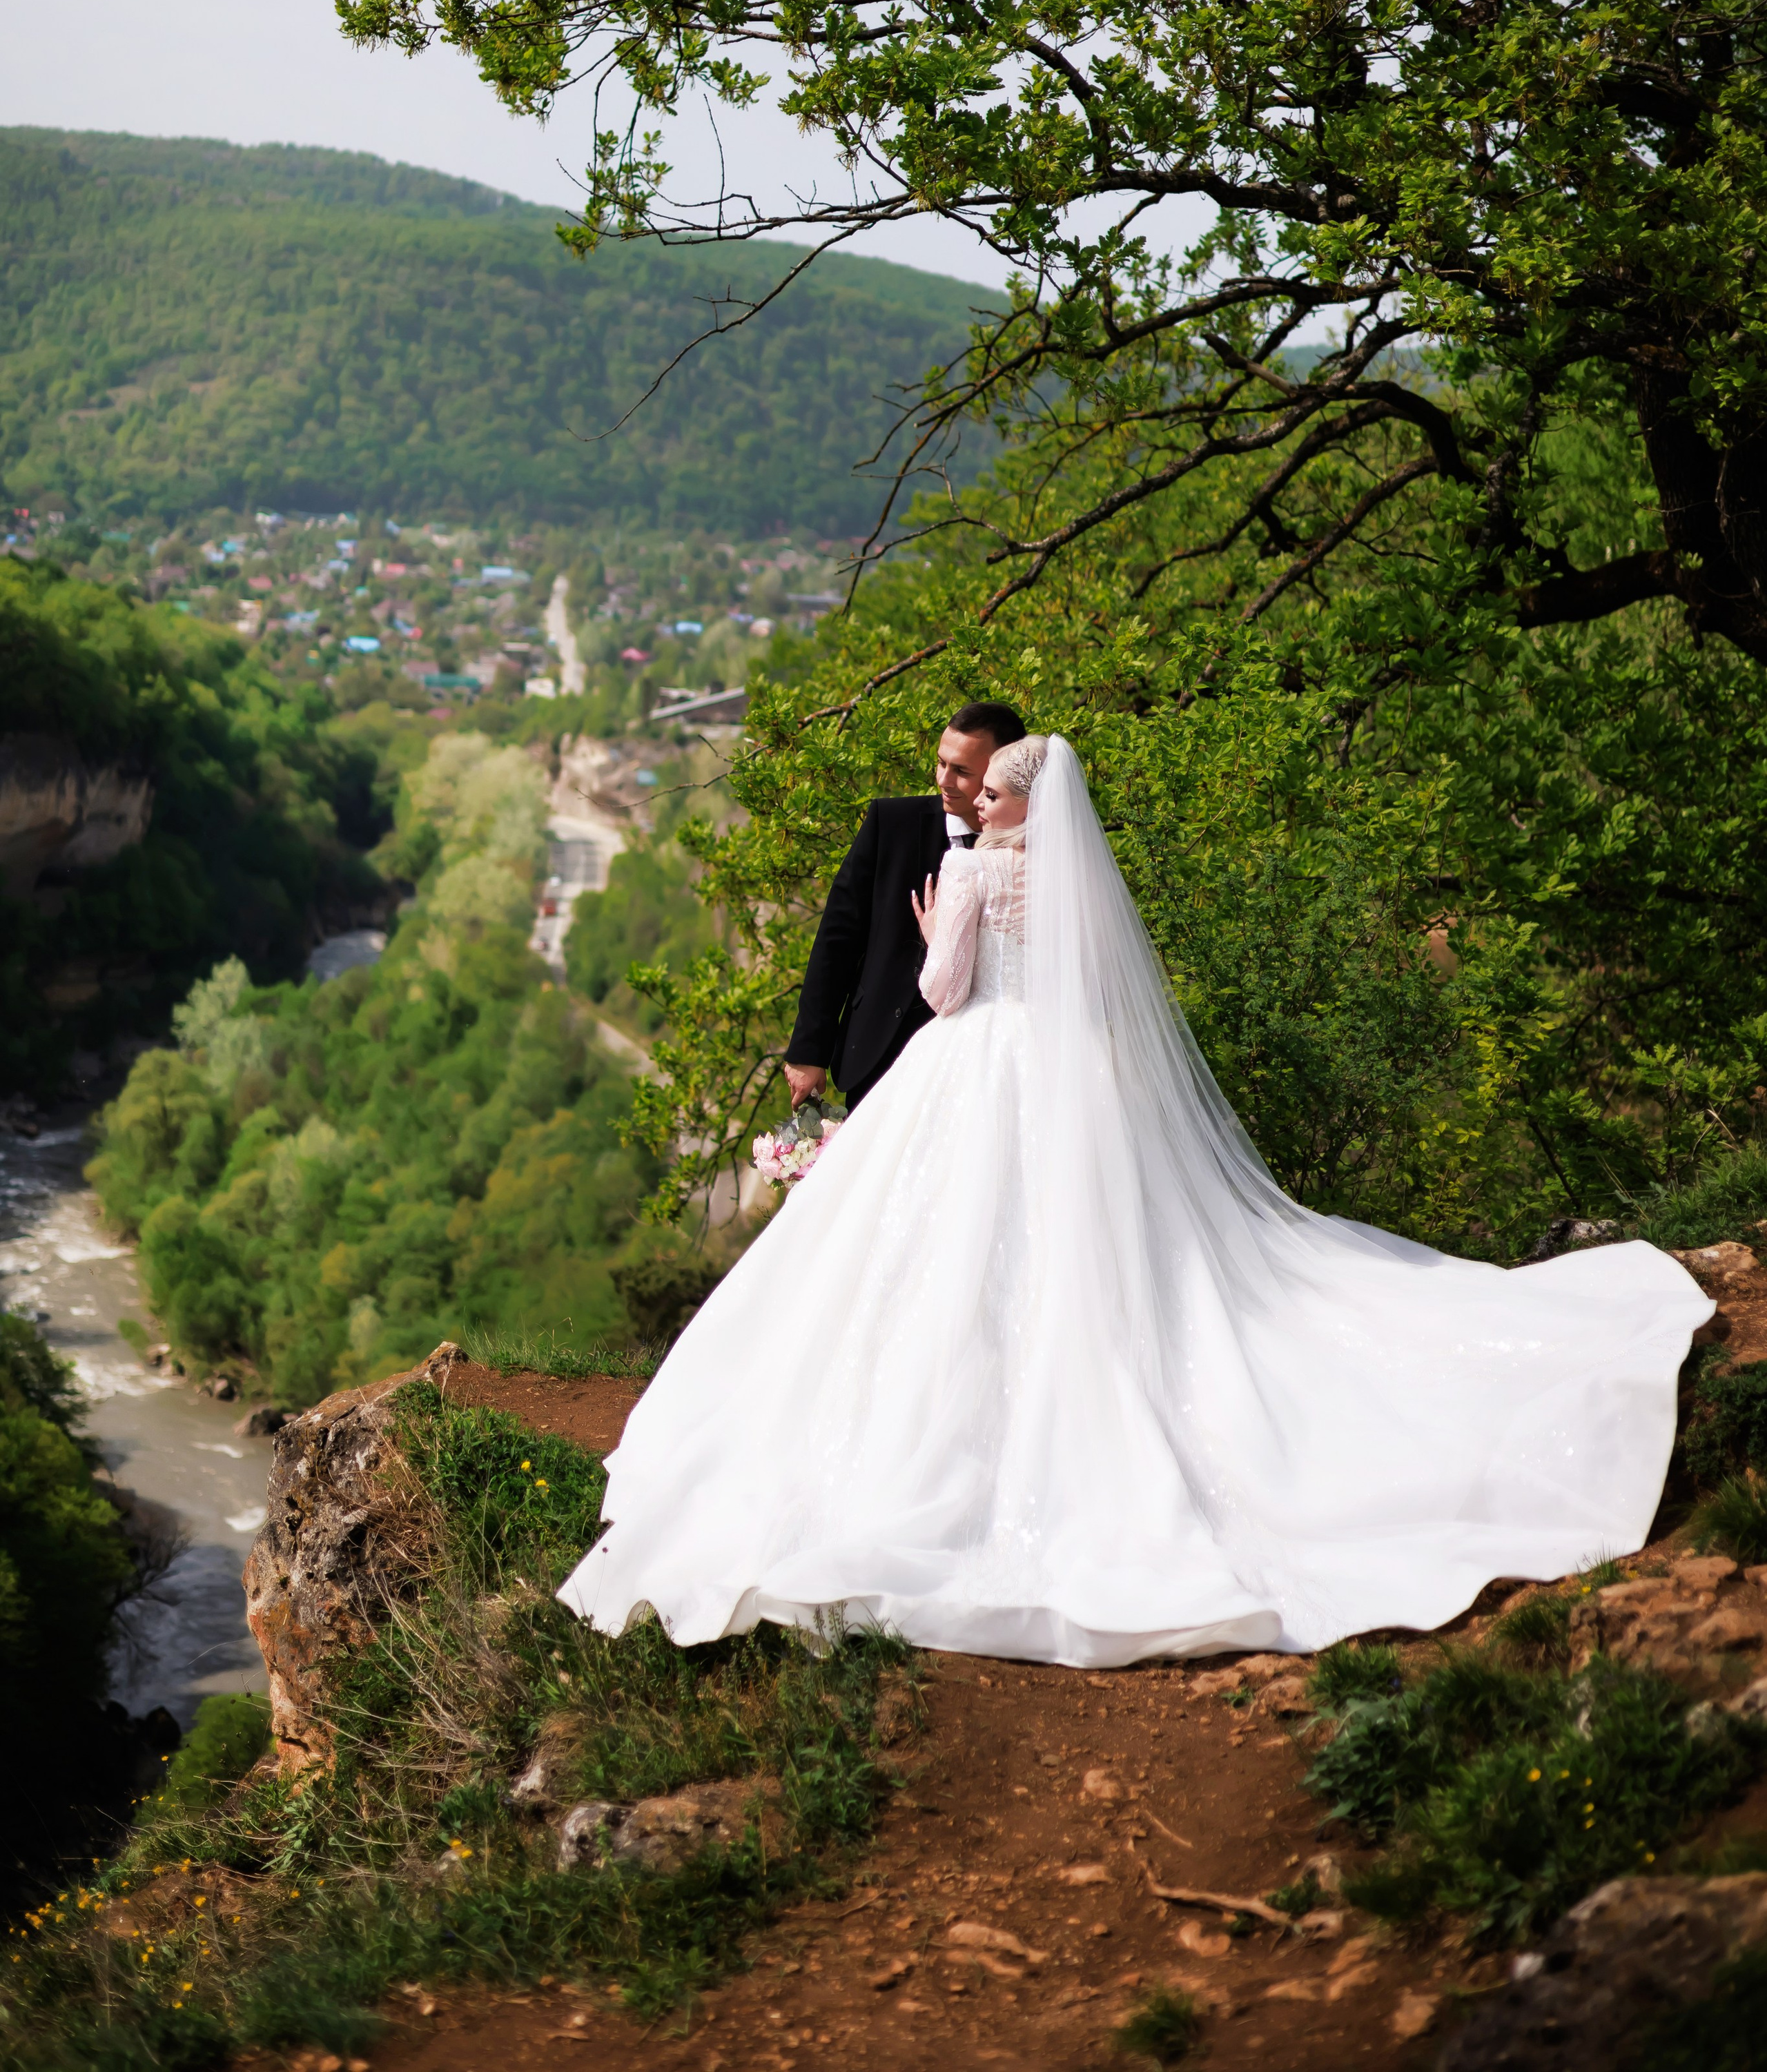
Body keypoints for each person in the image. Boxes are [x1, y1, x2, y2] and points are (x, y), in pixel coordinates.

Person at [558, 735, 1710, 1666]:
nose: (971, 800)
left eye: (985, 789)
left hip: (973, 1065)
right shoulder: (1070, 880)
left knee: (948, 1249)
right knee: (1080, 1238)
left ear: (1013, 801)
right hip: (1067, 1075)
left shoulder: (972, 871)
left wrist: (933, 932)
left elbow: (944, 993)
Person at [781, 698, 1026, 1113]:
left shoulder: (1036, 855)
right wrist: (809, 1050)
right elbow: (838, 938)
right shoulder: (890, 824)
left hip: (984, 1066)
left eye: (962, 771)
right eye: (940, 763)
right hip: (879, 1050)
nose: (944, 779)